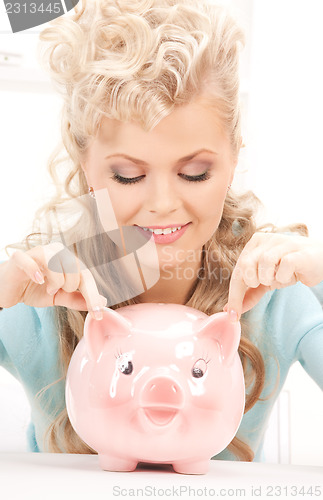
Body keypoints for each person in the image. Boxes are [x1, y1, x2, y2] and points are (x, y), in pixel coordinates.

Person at [0, 0, 322, 462]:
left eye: (194, 173)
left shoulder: (274, 297)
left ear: (234, 157)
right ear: (85, 165)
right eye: (129, 176)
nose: (163, 204)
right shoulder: (42, 299)